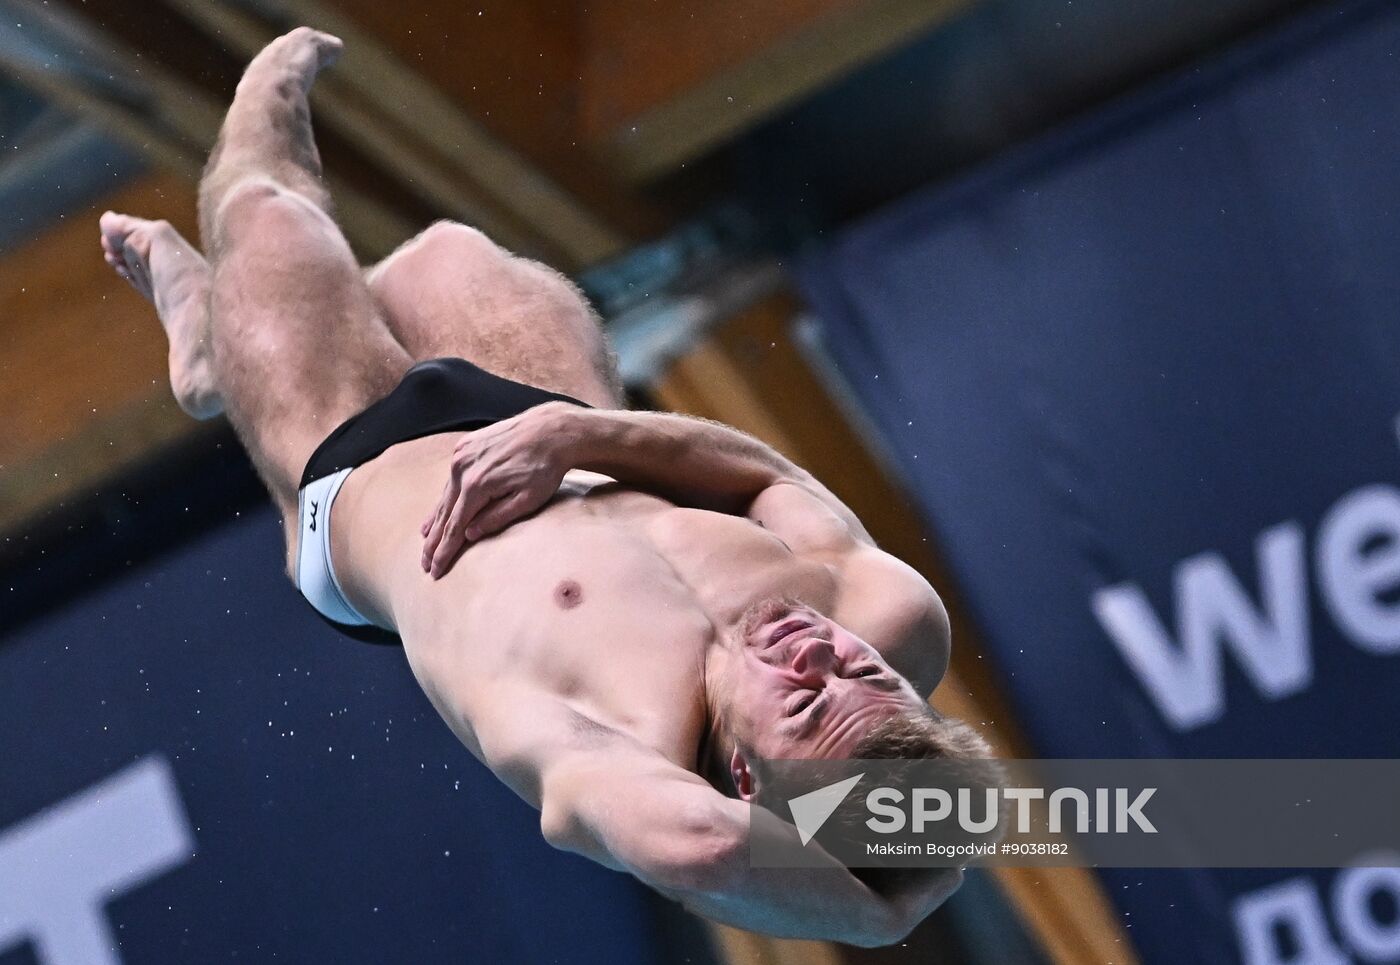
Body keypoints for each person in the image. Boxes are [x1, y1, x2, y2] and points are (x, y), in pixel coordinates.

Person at [99, 27, 987, 946]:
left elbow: (700, 852)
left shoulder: (618, 744)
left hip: (359, 475)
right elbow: (768, 474)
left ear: (750, 784)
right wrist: (574, 431)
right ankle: (217, 353)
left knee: (271, 212)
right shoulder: (887, 612)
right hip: (554, 422)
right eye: (862, 669)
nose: (817, 652)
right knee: (442, 257)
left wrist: (889, 915)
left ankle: (219, 346)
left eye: (803, 699)